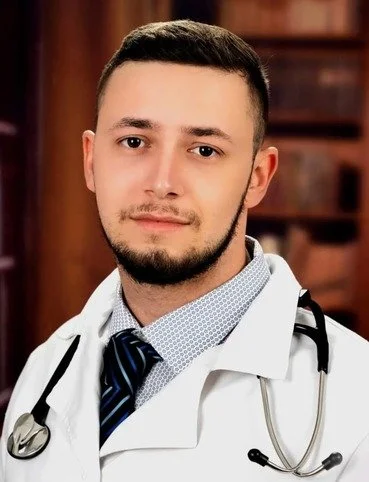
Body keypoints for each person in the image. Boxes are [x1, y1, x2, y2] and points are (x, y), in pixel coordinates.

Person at [1, 19, 369, 482]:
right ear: (91, 161)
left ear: (258, 178)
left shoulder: (357, 404)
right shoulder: (45, 372)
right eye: (134, 142)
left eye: (204, 150)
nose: (162, 183)